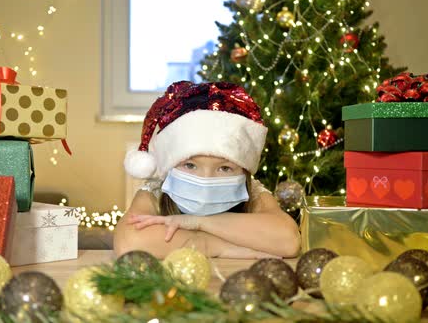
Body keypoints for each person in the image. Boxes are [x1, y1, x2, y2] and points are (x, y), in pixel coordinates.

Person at [114, 81, 300, 259]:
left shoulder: (252, 192)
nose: (206, 180)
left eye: (225, 168)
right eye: (190, 165)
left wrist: (198, 222)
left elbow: (289, 240)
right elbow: (129, 242)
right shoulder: (156, 192)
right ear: (171, 165)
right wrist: (213, 246)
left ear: (244, 172)